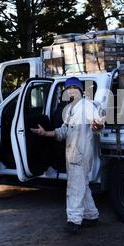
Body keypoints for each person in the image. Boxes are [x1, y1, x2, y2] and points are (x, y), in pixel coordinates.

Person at [31, 77, 104, 234]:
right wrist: (45, 133)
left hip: (80, 155)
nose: (71, 90)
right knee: (82, 186)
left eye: (74, 87)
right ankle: (92, 216)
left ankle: (74, 221)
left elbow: (97, 124)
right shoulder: (70, 109)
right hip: (72, 155)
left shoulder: (86, 106)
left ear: (80, 91)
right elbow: (63, 132)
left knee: (74, 188)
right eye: (68, 88)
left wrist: (98, 125)